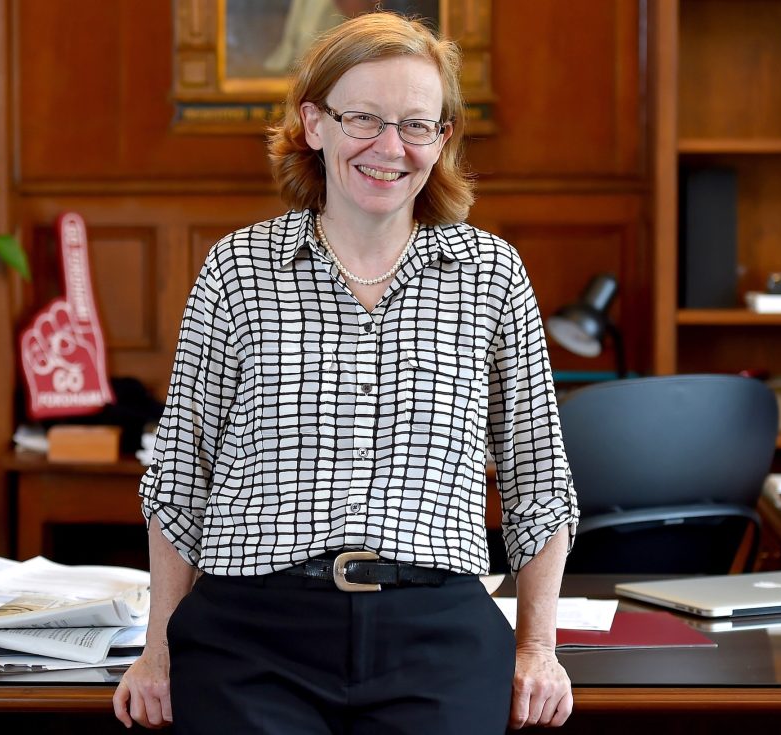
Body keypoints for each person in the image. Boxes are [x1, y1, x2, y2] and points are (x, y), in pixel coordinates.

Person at [113, 12, 578, 733]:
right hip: (250, 635)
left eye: (417, 125)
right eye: (363, 117)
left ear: (442, 139)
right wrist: (156, 651)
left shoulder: (492, 274)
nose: (390, 147)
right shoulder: (237, 270)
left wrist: (538, 647)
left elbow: (540, 483)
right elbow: (180, 480)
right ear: (313, 123)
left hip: (436, 633)